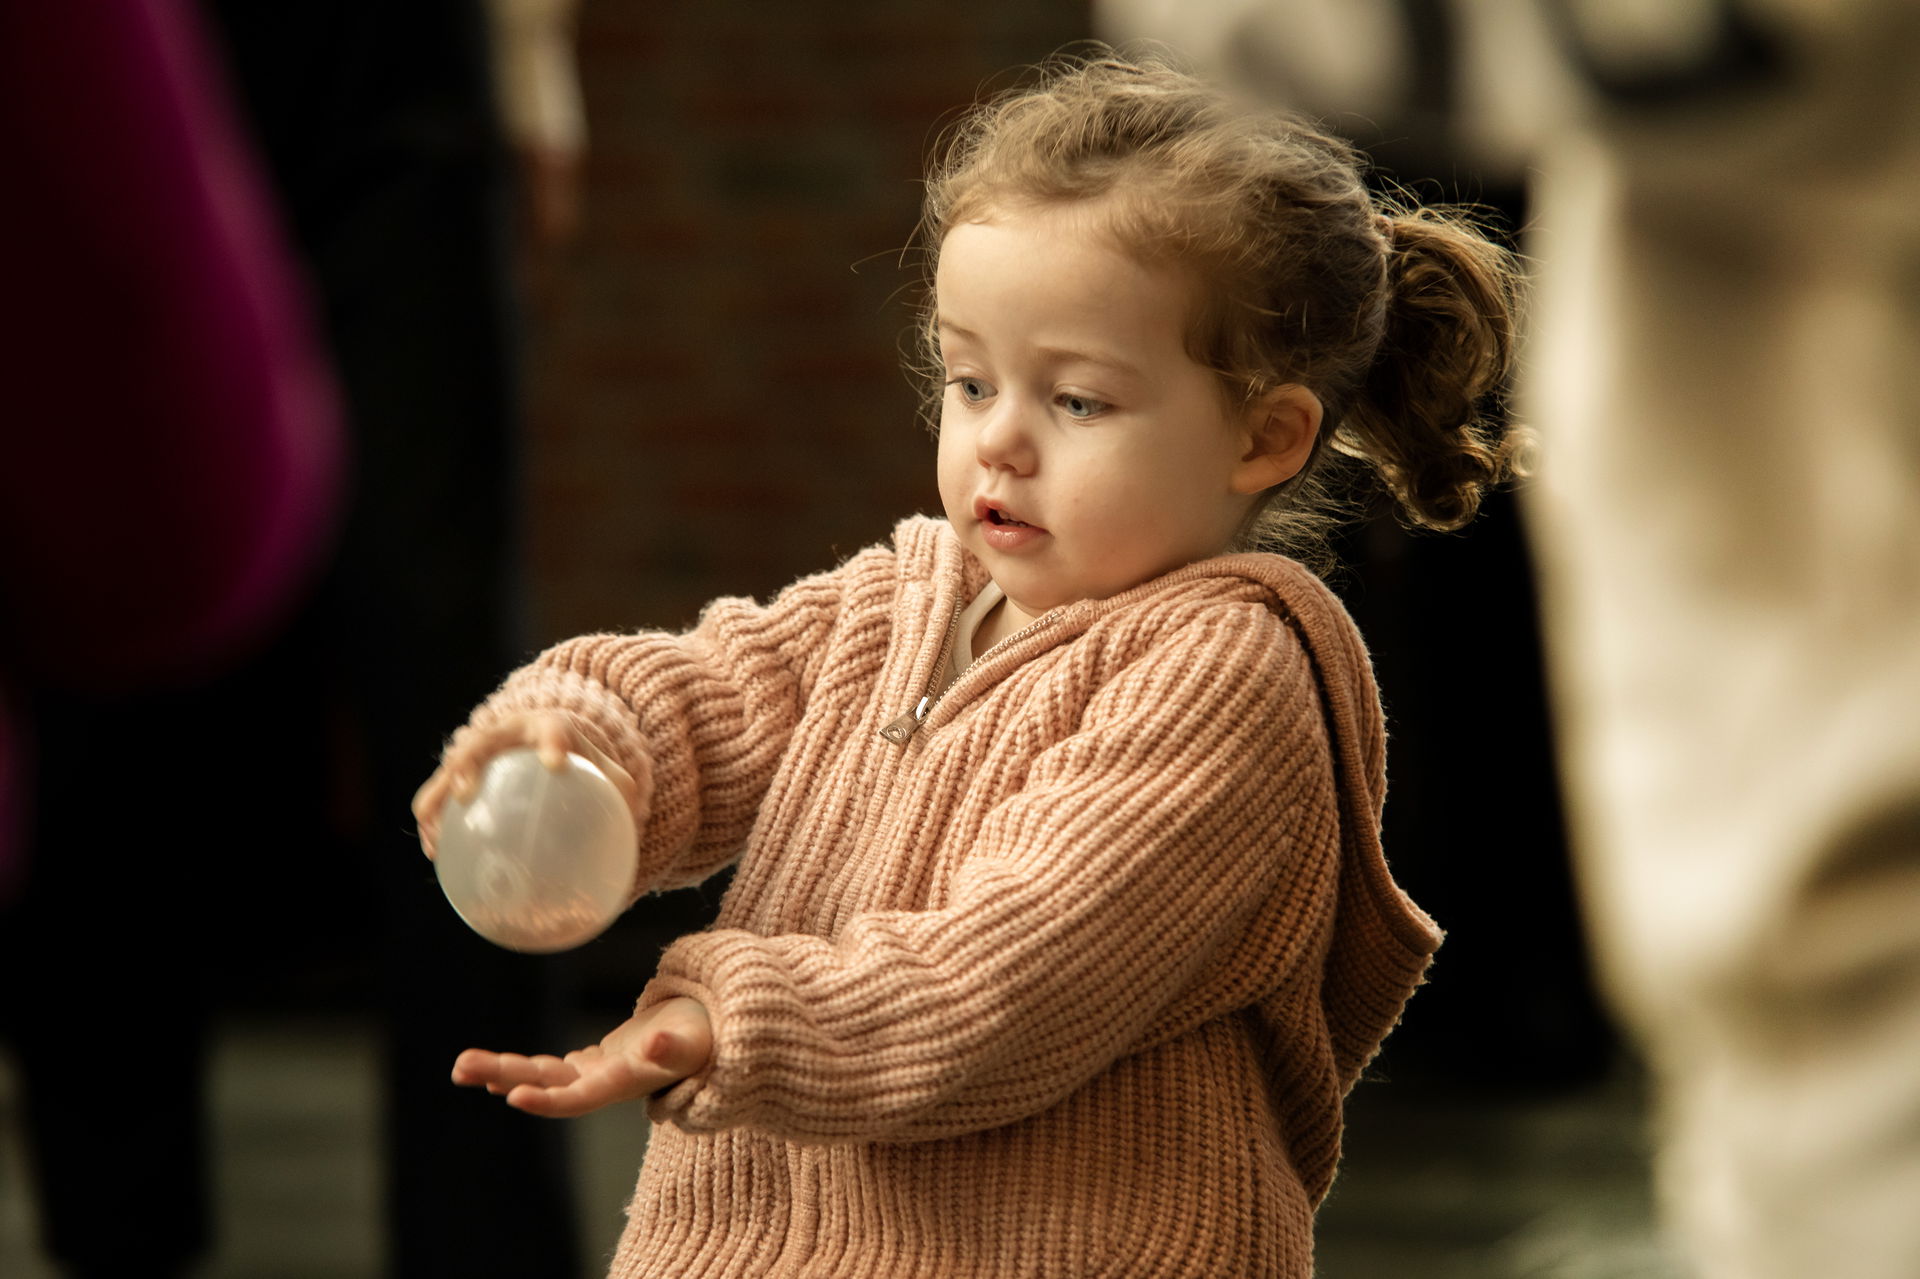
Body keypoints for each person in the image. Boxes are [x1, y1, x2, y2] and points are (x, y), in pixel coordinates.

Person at [411, 54, 1525, 1279]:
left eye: (1080, 401)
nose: (998, 436)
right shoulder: (902, 599)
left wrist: (729, 1017)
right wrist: (578, 740)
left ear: (1264, 436)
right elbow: (712, 692)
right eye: (970, 379)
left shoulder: (1226, 675)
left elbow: (1010, 976)